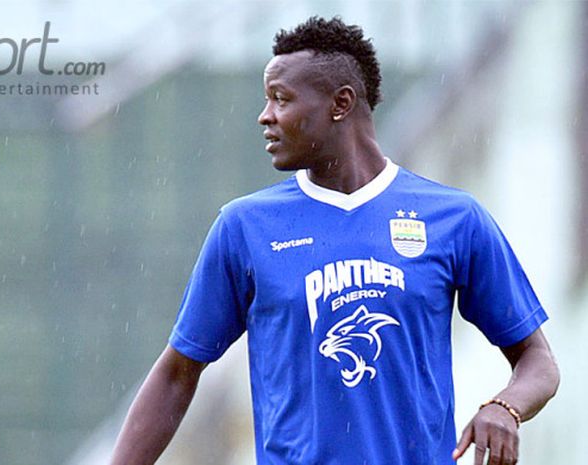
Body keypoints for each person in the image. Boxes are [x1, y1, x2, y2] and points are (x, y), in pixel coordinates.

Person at [109, 16, 559, 465]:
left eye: (280, 99)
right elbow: (176, 375)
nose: (265, 116)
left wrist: (505, 408)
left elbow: (538, 361)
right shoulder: (244, 227)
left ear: (340, 104)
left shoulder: (454, 219)